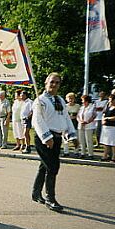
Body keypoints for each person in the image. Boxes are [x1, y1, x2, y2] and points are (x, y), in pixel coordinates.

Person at [31, 72, 77, 212]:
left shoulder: (60, 100)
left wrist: (72, 135)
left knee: (44, 166)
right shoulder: (40, 100)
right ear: (46, 83)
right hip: (44, 138)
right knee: (53, 167)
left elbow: (66, 118)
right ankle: (50, 199)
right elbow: (37, 120)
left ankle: (36, 193)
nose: (54, 85)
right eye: (52, 82)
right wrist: (47, 137)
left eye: (57, 82)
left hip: (57, 138)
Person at [100, 94, 115, 162]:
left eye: (110, 99)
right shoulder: (107, 106)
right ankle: (105, 155)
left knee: (113, 143)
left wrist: (107, 118)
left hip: (114, 127)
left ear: (114, 100)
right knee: (105, 142)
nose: (109, 101)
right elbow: (103, 114)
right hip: (106, 127)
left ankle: (114, 156)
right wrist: (103, 120)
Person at [62, 92, 80, 157]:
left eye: (72, 98)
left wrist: (75, 117)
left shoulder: (77, 106)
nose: (70, 100)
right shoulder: (65, 106)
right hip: (66, 124)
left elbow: (79, 115)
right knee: (65, 139)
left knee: (75, 138)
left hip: (75, 123)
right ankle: (66, 152)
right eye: (69, 98)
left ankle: (76, 152)